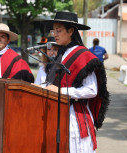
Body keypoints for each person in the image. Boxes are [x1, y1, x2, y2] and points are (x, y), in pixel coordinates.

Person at [43, 11, 110, 152]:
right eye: (53, 30)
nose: (55, 34)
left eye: (58, 30)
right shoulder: (61, 53)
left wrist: (61, 92)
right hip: (58, 113)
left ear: (71, 31)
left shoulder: (83, 55)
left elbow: (92, 90)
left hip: (75, 116)